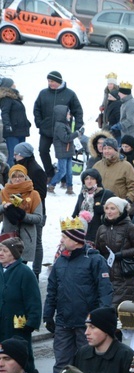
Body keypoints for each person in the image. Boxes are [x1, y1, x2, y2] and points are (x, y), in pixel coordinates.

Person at [45, 215, 113, 373]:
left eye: (64, 236)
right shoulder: (60, 261)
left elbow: (105, 290)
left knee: (88, 364)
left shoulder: (94, 260)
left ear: (75, 240)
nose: (61, 240)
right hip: (63, 323)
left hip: (87, 324)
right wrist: (47, 315)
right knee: (62, 364)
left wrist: (101, 318)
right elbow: (52, 290)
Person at [0, 238, 41, 373]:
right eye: (0, 250)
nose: (0, 253)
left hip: (17, 327)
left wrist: (31, 324)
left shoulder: (25, 273)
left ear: (14, 253)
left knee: (19, 356)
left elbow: (34, 300)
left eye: (5, 250)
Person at [94, 197, 134, 307]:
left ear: (120, 210)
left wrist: (122, 254)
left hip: (123, 275)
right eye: (107, 208)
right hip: (106, 273)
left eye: (113, 208)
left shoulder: (129, 227)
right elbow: (97, 249)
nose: (109, 211)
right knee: (105, 307)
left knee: (119, 309)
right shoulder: (102, 228)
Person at [32, 71, 83, 179]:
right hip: (46, 130)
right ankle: (50, 173)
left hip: (63, 132)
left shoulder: (70, 94)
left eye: (52, 81)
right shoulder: (43, 93)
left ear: (59, 81)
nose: (50, 83)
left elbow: (78, 111)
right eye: (49, 81)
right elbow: (37, 109)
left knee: (63, 155)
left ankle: (63, 177)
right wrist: (39, 123)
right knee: (43, 150)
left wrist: (78, 126)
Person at [10, 142, 47, 277]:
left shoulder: (36, 170)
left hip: (35, 211)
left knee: (36, 243)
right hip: (18, 212)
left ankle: (35, 272)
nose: (14, 156)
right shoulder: (17, 169)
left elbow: (42, 193)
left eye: (16, 154)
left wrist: (25, 196)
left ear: (23, 155)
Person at [0, 165, 43, 267]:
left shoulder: (34, 194)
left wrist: (23, 216)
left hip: (26, 239)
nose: (17, 179)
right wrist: (4, 207)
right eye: (14, 176)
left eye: (20, 176)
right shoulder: (4, 192)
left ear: (26, 177)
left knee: (20, 268)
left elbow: (38, 218)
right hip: (8, 237)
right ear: (10, 178)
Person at [93, 137, 134, 207]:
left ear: (116, 150)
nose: (106, 151)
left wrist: (127, 201)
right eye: (104, 149)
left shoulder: (126, 166)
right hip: (100, 205)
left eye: (109, 148)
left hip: (118, 207)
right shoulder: (97, 166)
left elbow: (133, 187)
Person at [73, 169, 114, 242]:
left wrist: (102, 209)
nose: (89, 181)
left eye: (92, 178)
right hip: (83, 235)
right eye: (86, 179)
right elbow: (75, 215)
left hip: (101, 236)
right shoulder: (82, 195)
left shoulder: (106, 194)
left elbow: (116, 213)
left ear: (97, 180)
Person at [49, 105, 79, 194]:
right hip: (62, 152)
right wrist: (76, 134)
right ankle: (51, 186)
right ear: (62, 115)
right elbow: (65, 138)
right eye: (68, 114)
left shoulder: (65, 124)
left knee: (69, 172)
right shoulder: (60, 126)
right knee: (62, 171)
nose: (70, 116)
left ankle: (70, 188)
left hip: (67, 151)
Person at [0, 78, 31, 156]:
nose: (15, 85)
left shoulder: (16, 98)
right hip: (12, 132)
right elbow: (4, 113)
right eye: (12, 83)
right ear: (9, 85)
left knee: (22, 155)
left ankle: (19, 168)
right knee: (14, 156)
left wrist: (27, 122)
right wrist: (7, 126)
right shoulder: (6, 98)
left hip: (21, 130)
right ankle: (12, 168)